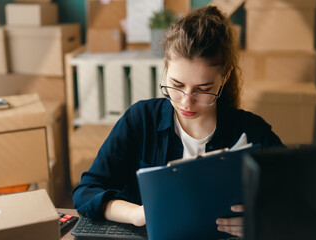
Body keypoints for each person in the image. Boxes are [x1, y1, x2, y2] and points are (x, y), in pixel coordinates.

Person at [72, 6, 284, 238]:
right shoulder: (140, 120)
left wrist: (264, 218)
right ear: (166, 67)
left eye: (203, 90)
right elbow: (86, 191)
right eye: (177, 84)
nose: (186, 102)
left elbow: (299, 195)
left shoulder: (252, 130)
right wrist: (137, 214)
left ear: (225, 78)